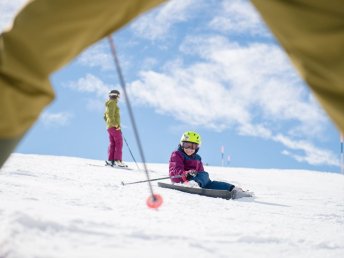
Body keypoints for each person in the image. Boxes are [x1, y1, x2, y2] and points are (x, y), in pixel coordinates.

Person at [1, 0, 344, 170]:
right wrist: (113, 118)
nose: (191, 150)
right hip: (115, 125)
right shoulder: (124, 117)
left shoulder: (197, 157)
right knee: (34, 47)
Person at [169, 131, 251, 198]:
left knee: (206, 177)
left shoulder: (197, 158)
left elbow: (201, 174)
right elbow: (175, 169)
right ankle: (193, 183)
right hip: (180, 179)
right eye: (187, 145)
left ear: (197, 148)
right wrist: (186, 174)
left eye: (193, 146)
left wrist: (201, 176)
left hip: (197, 181)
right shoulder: (177, 154)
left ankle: (233, 189)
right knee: (200, 176)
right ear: (181, 144)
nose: (190, 149)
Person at [104, 90, 127, 167]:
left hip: (109, 127)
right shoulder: (113, 103)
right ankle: (117, 161)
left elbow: (105, 116)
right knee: (119, 142)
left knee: (113, 143)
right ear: (116, 96)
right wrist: (115, 124)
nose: (119, 98)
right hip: (114, 126)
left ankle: (111, 161)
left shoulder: (108, 104)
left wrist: (109, 123)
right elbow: (110, 115)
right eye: (118, 96)